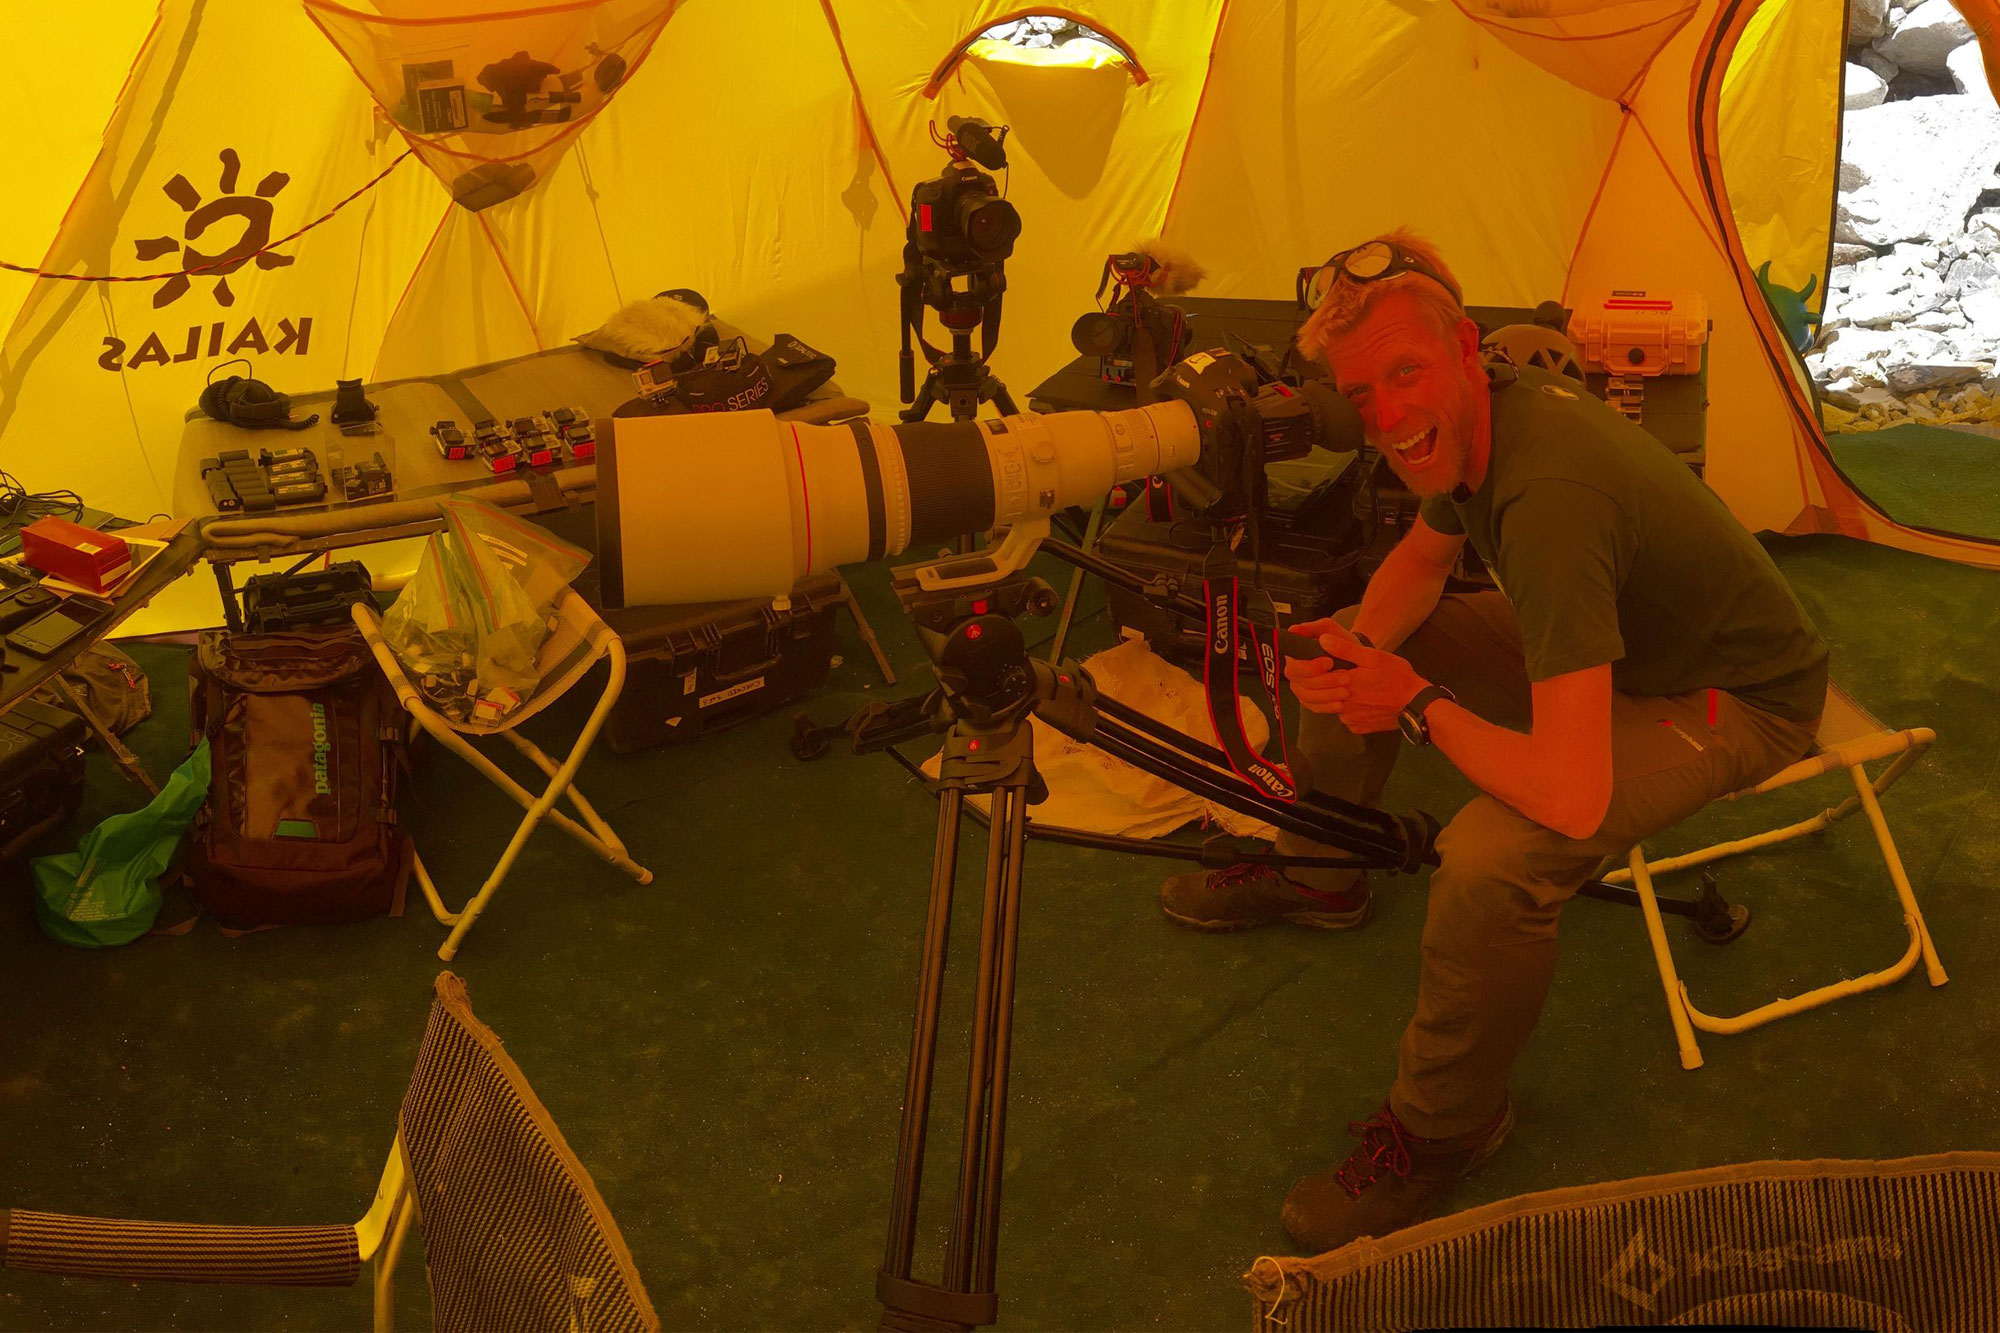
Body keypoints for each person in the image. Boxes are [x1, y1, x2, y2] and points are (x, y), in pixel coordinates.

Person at [1158, 230, 1830, 1252]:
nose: (1385, 415)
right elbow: (1422, 569)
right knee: (1364, 633)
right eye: (1361, 390)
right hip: (1625, 647)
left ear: (1466, 352)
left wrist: (1414, 700)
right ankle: (1321, 868)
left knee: (1487, 857)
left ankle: (1445, 1124)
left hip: (1728, 697)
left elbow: (1565, 797)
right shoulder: (1474, 417)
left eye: (1404, 373)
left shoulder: (1550, 496)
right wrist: (1355, 658)